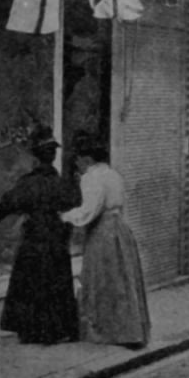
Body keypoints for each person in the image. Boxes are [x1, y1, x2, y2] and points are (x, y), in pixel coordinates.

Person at [0, 124, 79, 345]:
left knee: (31, 280)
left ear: (35, 157)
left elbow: (8, 203)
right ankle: (57, 329)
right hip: (56, 235)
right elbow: (74, 202)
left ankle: (31, 330)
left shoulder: (27, 183)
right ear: (52, 156)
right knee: (56, 279)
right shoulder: (61, 183)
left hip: (34, 237)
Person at [60, 132, 150, 348]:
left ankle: (107, 330)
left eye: (78, 161)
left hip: (103, 231)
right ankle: (129, 328)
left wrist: (66, 216)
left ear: (87, 159)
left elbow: (90, 210)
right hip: (120, 228)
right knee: (121, 279)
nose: (78, 166)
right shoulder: (113, 174)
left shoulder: (91, 177)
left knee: (101, 279)